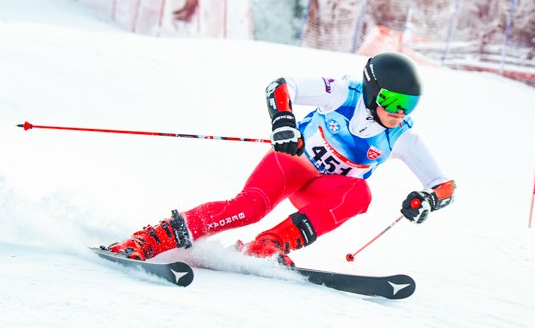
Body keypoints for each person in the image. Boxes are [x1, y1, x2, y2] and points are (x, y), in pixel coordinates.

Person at [103, 52, 457, 266]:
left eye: (409, 105)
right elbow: (282, 85)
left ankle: (268, 245)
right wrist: (284, 122)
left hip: (320, 190)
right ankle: (151, 239)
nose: (400, 112)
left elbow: (444, 185)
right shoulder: (342, 93)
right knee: (250, 208)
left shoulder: (403, 136)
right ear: (372, 90)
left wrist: (427, 199)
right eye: (393, 101)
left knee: (360, 194)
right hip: (291, 164)